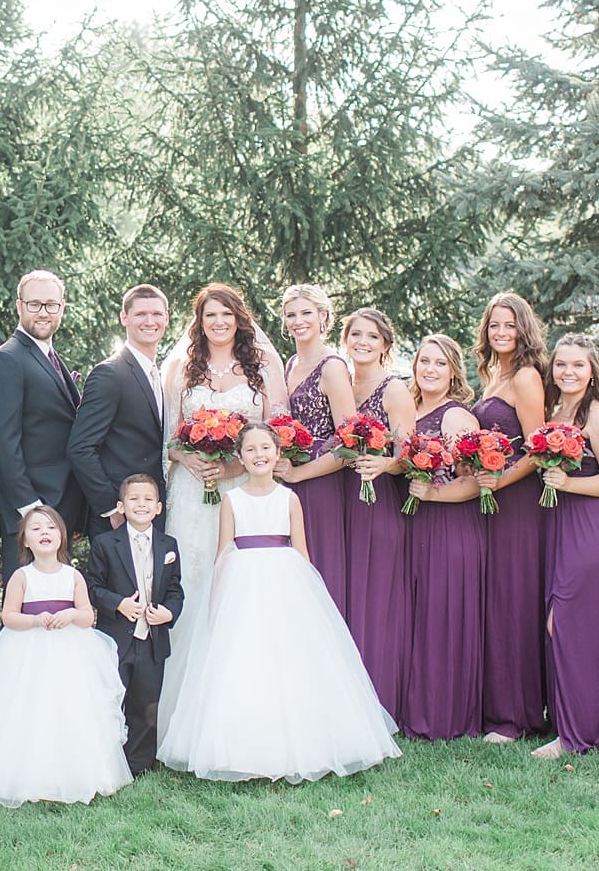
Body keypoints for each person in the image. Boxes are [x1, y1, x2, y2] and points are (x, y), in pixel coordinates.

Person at [157, 423, 400, 781]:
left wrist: (309, 600)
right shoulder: (232, 499)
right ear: (240, 457)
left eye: (265, 448)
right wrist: (217, 598)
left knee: (288, 656)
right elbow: (225, 549)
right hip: (243, 583)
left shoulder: (289, 498)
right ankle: (241, 747)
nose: (259, 455)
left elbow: (301, 551)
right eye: (251, 450)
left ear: (277, 454)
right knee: (244, 656)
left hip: (285, 582)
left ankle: (301, 744)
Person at [0, 506, 131, 807]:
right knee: (26, 706)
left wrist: (71, 613)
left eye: (50, 528)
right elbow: (9, 617)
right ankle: (20, 770)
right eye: (35, 529)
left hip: (69, 651)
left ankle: (71, 770)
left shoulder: (73, 576)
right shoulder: (22, 576)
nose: (44, 533)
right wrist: (35, 621)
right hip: (25, 650)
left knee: (67, 708)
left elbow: (88, 616)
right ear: (24, 541)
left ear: (62, 536)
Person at [156, 283, 286, 735]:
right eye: (210, 316)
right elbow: (168, 435)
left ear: (238, 320)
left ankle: (242, 711)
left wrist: (233, 462)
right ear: (199, 321)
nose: (218, 323)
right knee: (191, 583)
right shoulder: (182, 368)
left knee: (235, 588)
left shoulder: (261, 368)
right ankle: (181, 717)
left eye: (226, 315)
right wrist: (186, 456)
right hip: (193, 496)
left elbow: (275, 432)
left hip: (240, 491)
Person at [531, 335, 599, 760]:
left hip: (594, 527)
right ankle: (579, 723)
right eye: (561, 365)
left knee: (568, 623)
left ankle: (577, 734)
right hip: (561, 524)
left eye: (577, 366)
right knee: (565, 624)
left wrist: (568, 482)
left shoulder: (597, 414)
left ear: (593, 371)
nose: (568, 373)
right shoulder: (556, 411)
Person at [470, 292, 550, 743]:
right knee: (496, 600)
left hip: (518, 503)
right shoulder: (491, 377)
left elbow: (538, 450)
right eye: (494, 325)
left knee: (514, 601)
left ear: (523, 329)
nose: (501, 333)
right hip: (493, 501)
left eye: (509, 325)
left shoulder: (525, 376)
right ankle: (499, 705)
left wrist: (499, 482)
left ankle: (517, 716)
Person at [403, 334, 485, 741]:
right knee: (420, 617)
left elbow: (478, 484)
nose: (429, 370)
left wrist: (433, 492)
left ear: (453, 370)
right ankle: (416, 706)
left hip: (451, 525)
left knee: (443, 615)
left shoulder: (456, 417)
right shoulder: (412, 409)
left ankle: (446, 715)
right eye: (423, 362)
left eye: (439, 363)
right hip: (416, 525)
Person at [0, 269, 84, 584]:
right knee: (27, 611)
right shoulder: (8, 360)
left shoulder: (50, 357)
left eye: (51, 305)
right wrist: (30, 509)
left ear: (62, 308)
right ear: (18, 306)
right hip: (29, 514)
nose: (44, 312)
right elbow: (2, 442)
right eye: (35, 304)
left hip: (57, 508)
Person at [340, 306, 416, 723]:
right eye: (356, 335)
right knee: (348, 595)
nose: (363, 343)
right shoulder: (342, 381)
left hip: (379, 500)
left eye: (372, 337)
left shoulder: (393, 389)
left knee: (376, 599)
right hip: (342, 498)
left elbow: (410, 453)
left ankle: (381, 701)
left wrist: (384, 464)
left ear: (385, 345)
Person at [86, 473, 183, 776]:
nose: (141, 504)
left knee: (146, 700)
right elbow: (93, 586)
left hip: (152, 638)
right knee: (113, 698)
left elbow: (175, 589)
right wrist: (119, 604)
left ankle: (139, 763)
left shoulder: (169, 544)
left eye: (147, 499)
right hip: (117, 636)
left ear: (158, 507)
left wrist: (168, 612)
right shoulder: (105, 543)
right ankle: (106, 759)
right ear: (121, 506)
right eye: (133, 499)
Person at [275, 283, 356, 608]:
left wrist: (299, 474)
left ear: (324, 317)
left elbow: (348, 442)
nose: (298, 321)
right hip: (287, 478)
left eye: (306, 313)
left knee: (317, 567)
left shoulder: (333, 366)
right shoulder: (290, 364)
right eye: (291, 314)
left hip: (321, 483)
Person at [68, 284, 170, 539]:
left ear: (167, 318)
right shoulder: (109, 374)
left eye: (157, 314)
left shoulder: (161, 374)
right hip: (118, 519)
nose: (150, 321)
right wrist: (111, 508)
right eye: (140, 314)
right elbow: (80, 448)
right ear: (124, 318)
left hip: (154, 513)